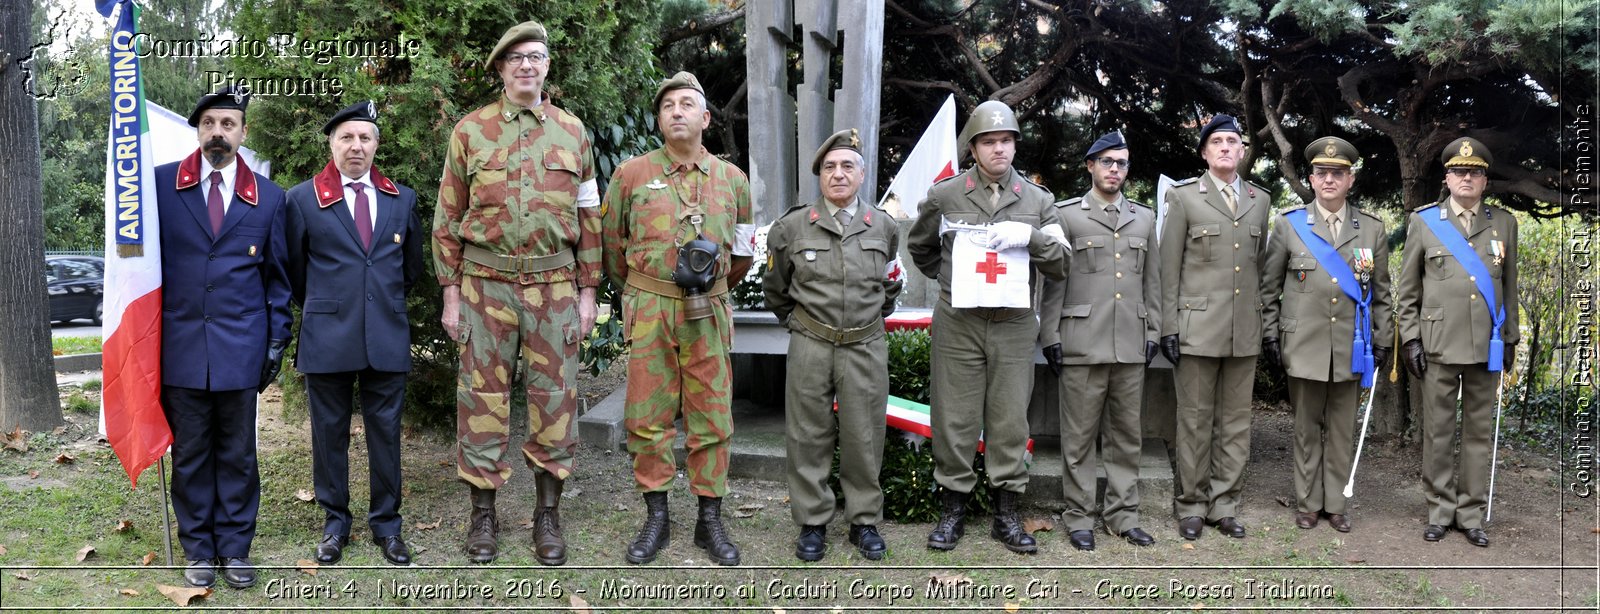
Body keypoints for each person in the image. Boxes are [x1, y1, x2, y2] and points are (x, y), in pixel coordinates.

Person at [432, 20, 601, 565]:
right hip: (485, 287)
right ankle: (483, 515)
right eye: (516, 59)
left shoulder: (574, 133)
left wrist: (589, 291)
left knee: (555, 402)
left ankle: (547, 515)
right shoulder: (469, 132)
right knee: (481, 401)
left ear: (547, 66)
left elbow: (589, 216)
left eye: (536, 56)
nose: (527, 65)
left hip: (555, 288)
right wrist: (451, 295)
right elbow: (447, 217)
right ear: (502, 69)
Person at [601, 71, 755, 566]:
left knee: (712, 415)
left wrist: (709, 287)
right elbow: (611, 249)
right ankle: (657, 518)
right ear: (660, 118)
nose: (676, 111)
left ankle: (709, 521)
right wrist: (647, 293)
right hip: (650, 310)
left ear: (706, 118)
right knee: (647, 417)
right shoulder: (631, 175)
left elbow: (743, 253)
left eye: (687, 103)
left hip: (708, 309)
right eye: (668, 105)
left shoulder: (733, 180)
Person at [907, 100, 1069, 554]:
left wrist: (1032, 237)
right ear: (973, 148)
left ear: (1015, 144)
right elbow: (921, 246)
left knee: (1009, 418)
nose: (998, 148)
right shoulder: (946, 195)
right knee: (954, 417)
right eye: (988, 141)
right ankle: (953, 509)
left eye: (1005, 140)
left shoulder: (1039, 201)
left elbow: (1062, 263)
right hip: (959, 320)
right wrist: (952, 277)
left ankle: (1006, 513)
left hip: (1014, 324)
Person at [153, 85, 290, 588]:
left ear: (242, 132)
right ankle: (199, 548)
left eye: (227, 124)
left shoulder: (270, 198)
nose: (218, 132)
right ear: (198, 129)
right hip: (181, 348)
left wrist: (276, 340)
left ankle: (234, 548)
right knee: (189, 455)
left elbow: (279, 280)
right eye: (209, 123)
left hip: (241, 350)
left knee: (237, 454)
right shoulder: (160, 186)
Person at [286, 101, 423, 566]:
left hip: (385, 333)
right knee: (329, 435)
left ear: (376, 145)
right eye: (346, 137)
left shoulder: (401, 199)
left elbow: (410, 270)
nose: (356, 146)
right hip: (327, 335)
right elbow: (295, 271)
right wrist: (329, 305)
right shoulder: (302, 199)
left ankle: (387, 526)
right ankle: (335, 523)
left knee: (386, 434)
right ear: (331, 143)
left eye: (365, 137)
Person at [763, 129, 903, 562]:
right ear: (819, 176)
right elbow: (776, 289)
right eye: (829, 167)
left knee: (864, 434)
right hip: (811, 344)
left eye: (847, 166)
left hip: (865, 345)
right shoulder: (791, 227)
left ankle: (864, 521)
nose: (838, 174)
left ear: (862, 175)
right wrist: (802, 325)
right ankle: (812, 522)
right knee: (808, 434)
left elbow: (891, 286)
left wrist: (867, 321)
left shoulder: (883, 226)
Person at [1260, 136, 1392, 534]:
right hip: (1303, 345)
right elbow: (1268, 289)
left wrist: (1383, 339)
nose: (1330, 179)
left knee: (1340, 429)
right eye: (1322, 173)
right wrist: (1270, 335)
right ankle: (1307, 502)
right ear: (1311, 179)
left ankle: (1335, 502)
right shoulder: (1289, 225)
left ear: (1350, 180)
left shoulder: (1370, 229)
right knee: (1304, 427)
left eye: (1338, 173)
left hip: (1352, 347)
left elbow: (1383, 293)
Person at [1038, 130, 1160, 551]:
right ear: (1090, 166)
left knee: (1127, 436)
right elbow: (1054, 282)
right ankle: (1078, 516)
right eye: (1107, 161)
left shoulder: (1144, 218)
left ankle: (1123, 516)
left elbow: (1152, 281)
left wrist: (1154, 330)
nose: (1114, 170)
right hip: (1081, 341)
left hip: (1129, 341)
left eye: (1121, 163)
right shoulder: (1067, 215)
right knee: (1078, 437)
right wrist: (1050, 333)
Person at [1397, 137, 1519, 547]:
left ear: (1484, 181)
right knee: (1438, 431)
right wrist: (1410, 339)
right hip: (1438, 343)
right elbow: (1408, 289)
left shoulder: (1504, 224)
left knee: (1478, 433)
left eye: (1476, 172)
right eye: (1459, 172)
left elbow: (1511, 287)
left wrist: (1511, 337)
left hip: (1486, 344)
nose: (1467, 178)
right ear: (1447, 179)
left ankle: (1470, 514)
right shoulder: (1425, 221)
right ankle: (1439, 510)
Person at [1159, 114, 1271, 540]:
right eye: (1217, 141)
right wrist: (1168, 326)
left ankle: (1225, 504)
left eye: (1233, 141)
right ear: (1205, 152)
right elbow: (1168, 268)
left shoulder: (1259, 200)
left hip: (1243, 328)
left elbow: (1258, 268)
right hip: (1196, 328)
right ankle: (1191, 503)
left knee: (1236, 421)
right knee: (1194, 419)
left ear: (1243, 152)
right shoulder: (1184, 197)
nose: (1226, 147)